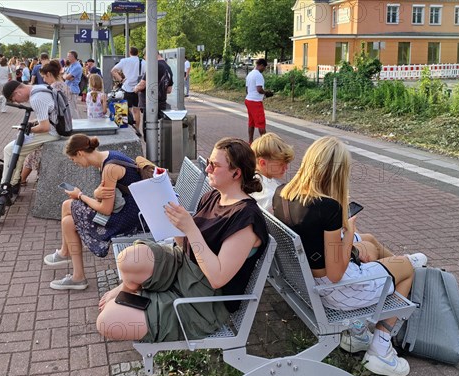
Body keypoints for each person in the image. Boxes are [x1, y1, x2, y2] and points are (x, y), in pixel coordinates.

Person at [97, 138, 269, 343]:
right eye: (208, 163)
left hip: (203, 301)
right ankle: (133, 292)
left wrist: (190, 228)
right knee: (129, 259)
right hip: (182, 267)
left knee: (107, 321)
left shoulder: (246, 219)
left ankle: (140, 296)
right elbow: (186, 245)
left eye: (214, 165)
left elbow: (217, 277)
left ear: (236, 173)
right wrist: (168, 214)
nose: (208, 169)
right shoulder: (214, 196)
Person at [271, 136, 416, 376]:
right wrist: (347, 230)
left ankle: (361, 329)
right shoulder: (328, 208)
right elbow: (337, 274)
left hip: (305, 282)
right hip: (335, 293)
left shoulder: (281, 193)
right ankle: (380, 349)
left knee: (369, 240)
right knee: (408, 267)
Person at [43, 134, 144, 290]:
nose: (75, 163)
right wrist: (96, 193)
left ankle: (69, 261)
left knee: (68, 206)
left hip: (130, 217)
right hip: (132, 209)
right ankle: (74, 271)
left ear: (80, 153)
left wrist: (81, 195)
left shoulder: (109, 168)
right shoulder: (108, 157)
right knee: (67, 220)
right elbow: (105, 197)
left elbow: (106, 209)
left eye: (73, 159)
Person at [0, 80, 61, 202]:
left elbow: (44, 127)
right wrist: (31, 124)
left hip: (52, 132)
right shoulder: (41, 88)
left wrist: (28, 130)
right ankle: (12, 184)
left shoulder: (36, 99)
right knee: (20, 151)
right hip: (57, 128)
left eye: (14, 99)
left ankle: (5, 186)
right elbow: (47, 115)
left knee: (10, 149)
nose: (17, 102)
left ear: (17, 92)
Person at [250, 133, 294, 212]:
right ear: (262, 163)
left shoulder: (249, 178)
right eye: (281, 164)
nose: (286, 168)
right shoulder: (270, 196)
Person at [134, 52, 173, 136]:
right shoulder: (168, 67)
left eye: (145, 58)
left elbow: (142, 84)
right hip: (162, 103)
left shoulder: (155, 66)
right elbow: (169, 90)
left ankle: (151, 149)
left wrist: (135, 88)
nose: (145, 60)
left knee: (148, 132)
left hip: (150, 104)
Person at [111, 46, 145, 129]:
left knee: (123, 108)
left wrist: (121, 79)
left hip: (126, 88)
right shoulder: (143, 62)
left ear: (129, 53)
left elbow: (113, 71)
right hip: (138, 89)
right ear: (138, 53)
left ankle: (125, 128)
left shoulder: (124, 61)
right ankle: (137, 129)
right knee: (136, 110)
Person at [245, 58, 267, 144]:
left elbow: (246, 90)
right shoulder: (258, 75)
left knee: (251, 122)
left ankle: (250, 141)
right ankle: (265, 144)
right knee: (261, 123)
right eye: (264, 67)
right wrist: (266, 93)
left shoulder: (249, 74)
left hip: (248, 100)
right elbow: (259, 89)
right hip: (255, 102)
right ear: (261, 65)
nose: (264, 70)